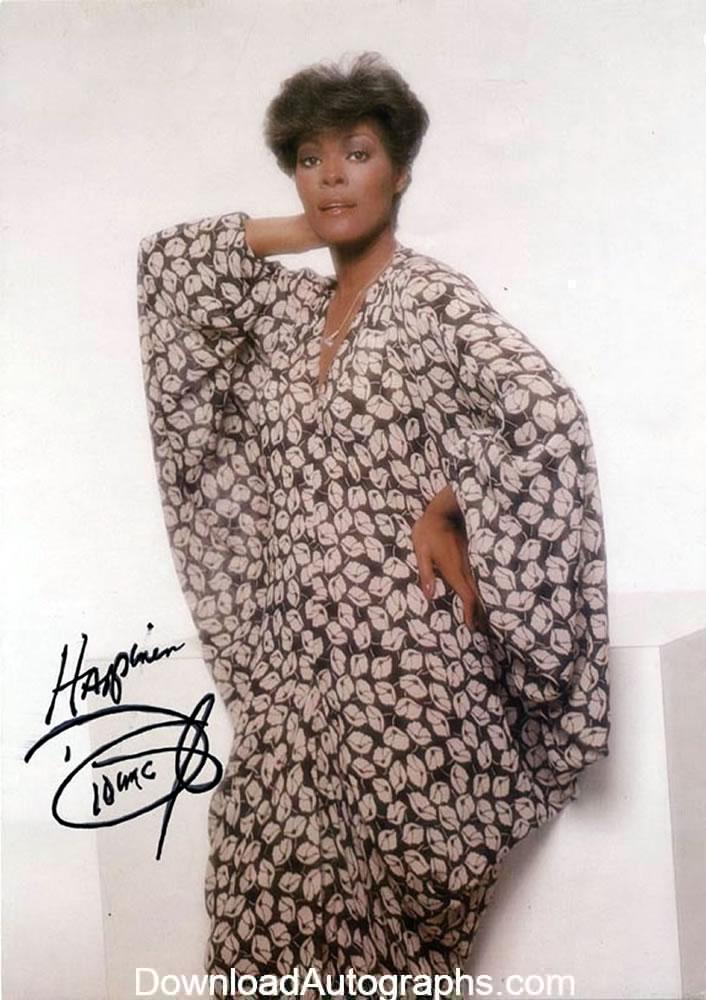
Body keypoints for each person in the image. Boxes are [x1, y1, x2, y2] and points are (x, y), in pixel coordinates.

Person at [136, 51, 610, 991]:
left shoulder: (431, 299)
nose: (333, 177)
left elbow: (546, 414)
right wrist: (312, 226)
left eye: (358, 155)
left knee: (390, 950)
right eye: (310, 160)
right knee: (256, 913)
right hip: (295, 688)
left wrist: (449, 502)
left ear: (402, 171)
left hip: (406, 676)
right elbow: (169, 263)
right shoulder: (282, 315)